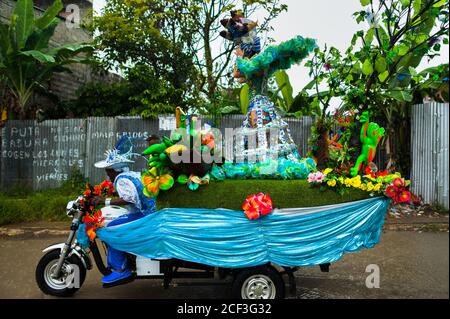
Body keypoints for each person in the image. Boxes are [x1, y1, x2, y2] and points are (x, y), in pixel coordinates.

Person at [92, 137, 157, 287]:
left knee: (112, 228)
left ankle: (120, 270)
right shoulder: (130, 175)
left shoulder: (121, 179)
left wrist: (104, 201)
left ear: (114, 170)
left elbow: (129, 198)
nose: (107, 173)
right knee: (118, 221)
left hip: (146, 216)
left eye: (108, 170)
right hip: (150, 213)